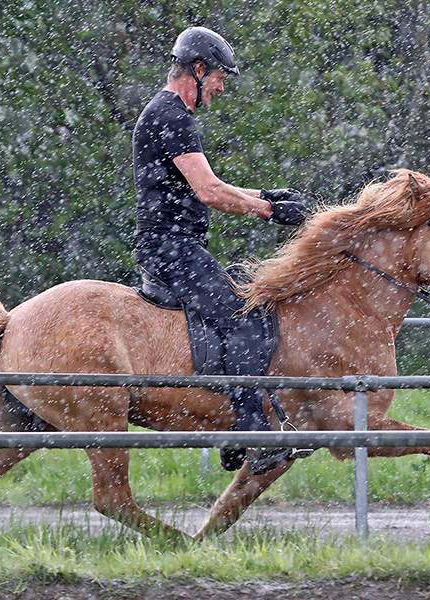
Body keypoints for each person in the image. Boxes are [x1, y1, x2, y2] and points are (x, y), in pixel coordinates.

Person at [131, 26, 306, 475]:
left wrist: (265, 193)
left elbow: (214, 185)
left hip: (175, 246)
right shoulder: (172, 115)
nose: (222, 87)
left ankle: (235, 429)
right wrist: (268, 211)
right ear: (198, 69)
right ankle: (250, 433)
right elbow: (209, 191)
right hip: (170, 249)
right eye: (220, 77)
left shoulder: (169, 113)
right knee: (244, 316)